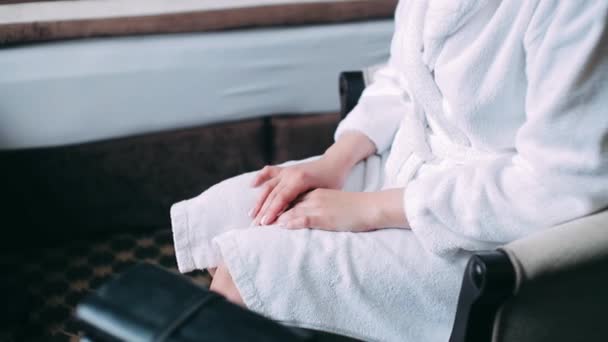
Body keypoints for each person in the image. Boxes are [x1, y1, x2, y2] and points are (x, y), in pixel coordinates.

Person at [170, 1, 608, 341]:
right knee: (236, 213)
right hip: (407, 170)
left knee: (248, 273)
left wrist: (369, 209)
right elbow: (403, 77)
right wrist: (334, 161)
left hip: (490, 230)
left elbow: (559, 183)